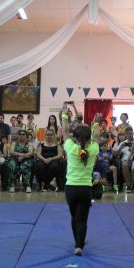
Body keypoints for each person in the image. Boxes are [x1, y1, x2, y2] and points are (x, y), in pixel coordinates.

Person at [60, 103, 100, 256]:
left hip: (71, 188)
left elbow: (64, 131)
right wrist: (95, 122)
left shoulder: (70, 147)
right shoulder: (93, 148)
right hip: (85, 189)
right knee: (82, 218)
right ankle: (79, 246)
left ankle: (78, 241)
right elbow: (96, 136)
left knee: (74, 216)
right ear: (88, 139)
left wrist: (65, 115)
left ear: (74, 138)